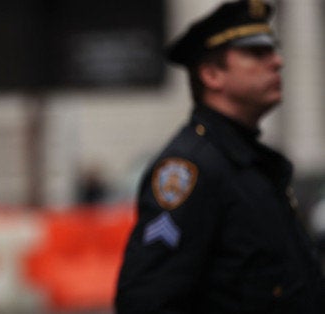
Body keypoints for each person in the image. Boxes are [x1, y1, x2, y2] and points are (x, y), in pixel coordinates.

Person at [116, 1, 325, 313]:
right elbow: (146, 301)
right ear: (212, 75)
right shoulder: (192, 167)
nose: (277, 62)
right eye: (257, 53)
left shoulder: (252, 165)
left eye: (273, 51)